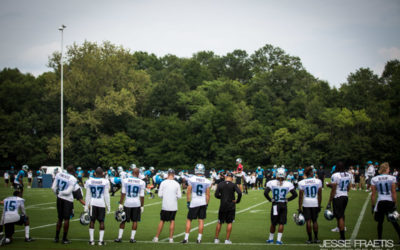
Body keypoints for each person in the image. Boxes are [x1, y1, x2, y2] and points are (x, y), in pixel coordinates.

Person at [264, 167, 298, 245]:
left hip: (275, 204)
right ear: (284, 175)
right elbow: (295, 194)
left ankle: (271, 239)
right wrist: (287, 200)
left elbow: (266, 193)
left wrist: (270, 199)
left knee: (273, 222)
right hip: (283, 204)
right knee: (281, 223)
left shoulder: (271, 182)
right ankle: (279, 240)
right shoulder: (288, 183)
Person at [181, 164, 211, 244]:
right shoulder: (207, 181)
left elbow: (188, 192)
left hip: (194, 202)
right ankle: (199, 239)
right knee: (201, 220)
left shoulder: (192, 179)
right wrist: (207, 204)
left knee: (189, 220)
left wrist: (188, 202)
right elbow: (208, 195)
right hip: (202, 202)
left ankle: (186, 238)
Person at [115, 167, 145, 243]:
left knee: (123, 220)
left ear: (132, 173)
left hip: (127, 203)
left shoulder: (125, 180)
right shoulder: (141, 182)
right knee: (135, 221)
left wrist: (120, 203)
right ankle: (132, 238)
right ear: (138, 174)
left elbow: (123, 193)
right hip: (136, 203)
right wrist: (142, 206)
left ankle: (119, 238)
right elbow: (142, 196)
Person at [371, 162, 400, 241]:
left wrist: (373, 205)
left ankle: (379, 240)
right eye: (388, 168)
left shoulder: (374, 179)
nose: (389, 169)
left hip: (380, 201)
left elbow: (373, 194)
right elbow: (394, 192)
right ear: (386, 169)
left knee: (380, 222)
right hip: (389, 201)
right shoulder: (392, 178)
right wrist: (395, 203)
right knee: (394, 221)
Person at [153, 169, 181, 243]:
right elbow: (179, 196)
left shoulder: (163, 182)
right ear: (174, 175)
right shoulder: (177, 184)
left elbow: (159, 195)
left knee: (162, 220)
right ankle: (171, 238)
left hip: (165, 205)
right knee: (172, 221)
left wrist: (165, 197)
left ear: (168, 174)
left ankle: (156, 237)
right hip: (173, 206)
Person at [51, 165, 78, 244]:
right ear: (73, 171)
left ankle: (56, 238)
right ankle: (64, 238)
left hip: (59, 199)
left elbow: (53, 187)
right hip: (67, 200)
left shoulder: (59, 174)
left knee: (59, 218)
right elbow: (68, 192)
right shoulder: (72, 178)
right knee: (66, 219)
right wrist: (61, 193)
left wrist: (58, 194)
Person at [84, 167, 110, 245]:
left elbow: (88, 195)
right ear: (102, 174)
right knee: (101, 221)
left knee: (92, 221)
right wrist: (108, 206)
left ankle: (91, 241)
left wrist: (86, 205)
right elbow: (106, 195)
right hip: (101, 203)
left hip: (92, 203)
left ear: (95, 173)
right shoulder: (105, 181)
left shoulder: (89, 181)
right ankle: (100, 241)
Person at [214, 172, 242, 244]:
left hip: (222, 205)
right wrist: (237, 201)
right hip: (231, 205)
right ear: (232, 178)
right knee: (229, 222)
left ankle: (216, 239)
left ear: (226, 177)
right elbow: (240, 193)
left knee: (220, 221)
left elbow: (216, 195)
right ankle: (227, 240)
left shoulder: (220, 184)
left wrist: (222, 198)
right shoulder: (233, 184)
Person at [326, 161, 351, 240]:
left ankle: (342, 237)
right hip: (345, 196)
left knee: (339, 216)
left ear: (336, 167)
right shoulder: (349, 175)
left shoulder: (335, 175)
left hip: (338, 197)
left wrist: (329, 202)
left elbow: (333, 189)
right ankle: (341, 227)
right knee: (341, 214)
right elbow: (348, 187)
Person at [298, 167, 322, 244]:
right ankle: (316, 238)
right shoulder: (318, 181)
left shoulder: (301, 182)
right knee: (314, 221)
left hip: (306, 202)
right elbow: (320, 195)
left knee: (308, 221)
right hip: (315, 202)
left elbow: (301, 196)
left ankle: (309, 239)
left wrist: (299, 207)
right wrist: (319, 204)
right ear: (311, 173)